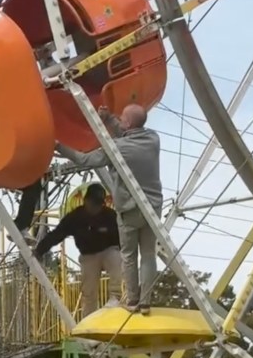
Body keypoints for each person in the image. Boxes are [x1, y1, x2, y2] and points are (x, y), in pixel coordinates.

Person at [55, 104, 162, 314]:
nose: (120, 121)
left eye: (122, 118)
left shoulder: (117, 148)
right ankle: (146, 302)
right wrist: (109, 119)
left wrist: (59, 146)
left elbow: (84, 159)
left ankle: (132, 301)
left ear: (128, 123)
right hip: (153, 207)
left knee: (129, 256)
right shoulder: (153, 139)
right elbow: (128, 132)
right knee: (149, 255)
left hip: (129, 210)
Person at [33, 183, 122, 314]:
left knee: (116, 258)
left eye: (98, 204)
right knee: (88, 290)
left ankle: (115, 296)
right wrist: (40, 250)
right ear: (86, 200)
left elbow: (123, 236)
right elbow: (57, 234)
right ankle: (88, 318)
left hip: (108, 250)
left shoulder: (110, 215)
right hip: (88, 255)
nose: (95, 208)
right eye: (93, 203)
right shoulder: (75, 217)